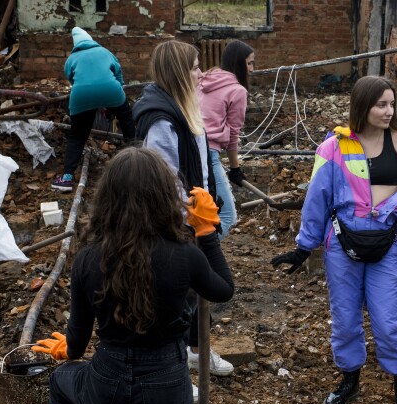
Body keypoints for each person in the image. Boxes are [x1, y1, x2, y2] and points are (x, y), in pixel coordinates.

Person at [36, 147, 233, 404]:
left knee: (61, 383)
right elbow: (223, 289)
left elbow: (76, 344)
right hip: (166, 387)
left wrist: (67, 350)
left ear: (107, 199)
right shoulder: (184, 256)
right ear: (164, 197)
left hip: (105, 385)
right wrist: (207, 233)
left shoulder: (89, 260)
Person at [271, 76, 397, 404]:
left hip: (387, 245)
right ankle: (350, 380)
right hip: (342, 244)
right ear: (362, 106)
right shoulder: (335, 147)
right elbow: (317, 198)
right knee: (345, 319)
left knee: (387, 321)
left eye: (392, 104)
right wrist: (303, 247)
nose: (389, 111)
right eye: (380, 105)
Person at [133, 40, 234, 377]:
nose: (200, 73)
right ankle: (171, 370)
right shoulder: (161, 119)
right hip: (175, 224)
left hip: (196, 218)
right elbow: (163, 183)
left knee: (194, 290)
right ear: (178, 71)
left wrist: (209, 205)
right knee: (176, 295)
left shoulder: (184, 107)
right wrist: (188, 222)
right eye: (194, 67)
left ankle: (194, 351)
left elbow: (200, 167)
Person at [53, 27, 135, 192]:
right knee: (128, 124)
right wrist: (112, 102)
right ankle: (141, 163)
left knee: (77, 137)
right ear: (91, 40)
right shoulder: (105, 52)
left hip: (81, 96)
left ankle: (67, 178)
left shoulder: (72, 58)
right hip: (112, 91)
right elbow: (118, 75)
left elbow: (73, 80)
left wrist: (91, 98)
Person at [197, 40, 255, 239]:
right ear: (238, 63)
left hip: (188, 147)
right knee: (228, 217)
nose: (252, 69)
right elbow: (233, 135)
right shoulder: (237, 91)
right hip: (208, 153)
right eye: (249, 63)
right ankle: (201, 261)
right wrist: (235, 169)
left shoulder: (204, 79)